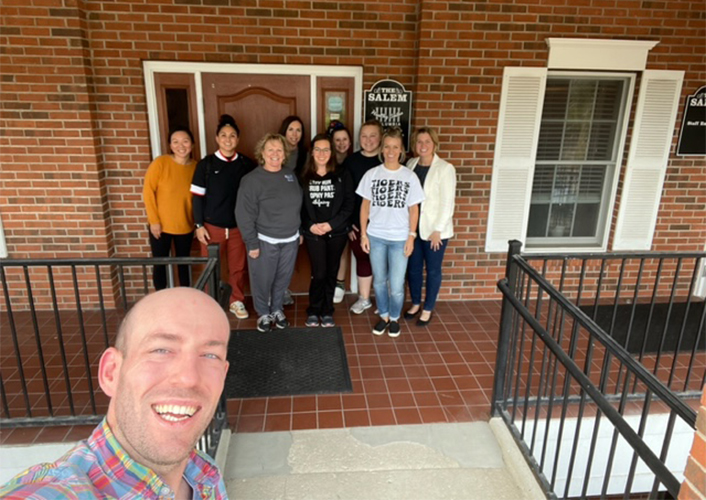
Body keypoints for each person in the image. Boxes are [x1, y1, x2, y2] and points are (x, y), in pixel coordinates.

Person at [0, 287, 230, 499]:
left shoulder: (204, 474)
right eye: (161, 350)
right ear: (111, 373)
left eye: (210, 355)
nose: (189, 378)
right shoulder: (63, 491)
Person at [358, 127, 425, 338]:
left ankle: (394, 318)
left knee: (396, 284)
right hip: (376, 236)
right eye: (387, 146)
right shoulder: (372, 174)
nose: (390, 151)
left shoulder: (409, 176)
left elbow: (414, 209)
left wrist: (411, 236)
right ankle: (384, 315)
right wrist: (363, 234)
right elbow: (364, 206)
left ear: (401, 150)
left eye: (395, 147)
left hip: (399, 238)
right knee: (379, 280)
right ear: (382, 148)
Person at [236, 133, 303, 333]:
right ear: (262, 153)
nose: (275, 154)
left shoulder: (290, 176)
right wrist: (252, 243)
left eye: (279, 150)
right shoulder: (251, 180)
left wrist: (298, 230)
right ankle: (263, 313)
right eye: (271, 150)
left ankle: (276, 309)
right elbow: (243, 213)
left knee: (283, 278)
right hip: (265, 240)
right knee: (262, 279)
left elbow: (296, 204)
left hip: (290, 239)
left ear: (284, 155)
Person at [191, 114, 255, 320]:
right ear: (217, 138)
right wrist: (199, 225)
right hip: (212, 228)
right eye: (224, 135)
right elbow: (197, 198)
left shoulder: (246, 164)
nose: (228, 139)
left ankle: (236, 301)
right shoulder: (206, 165)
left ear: (238, 139)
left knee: (238, 268)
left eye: (232, 135)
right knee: (211, 267)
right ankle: (211, 304)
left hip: (238, 228)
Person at [404, 127, 457, 326]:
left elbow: (447, 202)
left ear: (434, 144)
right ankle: (416, 303)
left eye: (427, 141)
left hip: (435, 231)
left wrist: (438, 230)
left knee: (433, 270)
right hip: (413, 228)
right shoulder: (411, 164)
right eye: (419, 142)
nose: (423, 145)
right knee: (413, 269)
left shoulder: (445, 168)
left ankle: (428, 308)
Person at [301, 133, 354, 328]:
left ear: (331, 152)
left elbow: (349, 205)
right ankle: (314, 310)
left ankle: (327, 310)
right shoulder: (304, 176)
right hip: (313, 233)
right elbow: (298, 207)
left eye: (326, 149)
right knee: (319, 272)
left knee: (331, 271)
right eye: (318, 149)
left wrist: (332, 224)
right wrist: (310, 226)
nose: (322, 153)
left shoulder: (342, 174)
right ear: (312, 152)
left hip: (336, 232)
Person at [142, 127, 197, 291]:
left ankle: (185, 296)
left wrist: (196, 223)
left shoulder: (196, 167)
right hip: (161, 226)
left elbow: (198, 198)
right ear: (170, 146)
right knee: (160, 264)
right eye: (176, 142)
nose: (181, 145)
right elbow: (148, 192)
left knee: (184, 264)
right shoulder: (160, 163)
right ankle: (160, 297)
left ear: (192, 145)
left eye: (185, 141)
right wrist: (154, 221)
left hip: (185, 225)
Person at [341, 119, 384, 315]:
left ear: (381, 137)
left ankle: (384, 300)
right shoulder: (351, 162)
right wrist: (350, 223)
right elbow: (346, 195)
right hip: (359, 223)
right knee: (363, 258)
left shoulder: (388, 160)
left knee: (386, 261)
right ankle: (364, 298)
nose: (368, 140)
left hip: (385, 222)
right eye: (364, 136)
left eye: (373, 135)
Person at [327, 120, 354, 304]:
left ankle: (339, 282)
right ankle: (324, 281)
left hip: (346, 214)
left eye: (344, 139)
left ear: (350, 142)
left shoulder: (353, 162)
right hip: (327, 214)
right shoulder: (325, 162)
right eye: (337, 140)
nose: (341, 143)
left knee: (342, 249)